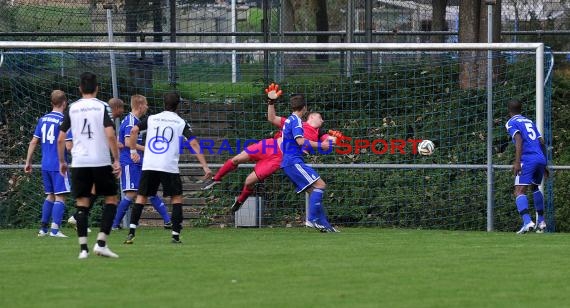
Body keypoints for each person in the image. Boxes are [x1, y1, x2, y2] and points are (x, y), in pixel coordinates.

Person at [202, 85, 335, 220]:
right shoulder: (295, 122)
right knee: (236, 159)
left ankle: (240, 201)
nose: (322, 120)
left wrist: (333, 139)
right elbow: (271, 118)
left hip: (278, 159)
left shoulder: (320, 134)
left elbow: (328, 141)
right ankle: (216, 179)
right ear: (310, 116)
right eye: (320, 117)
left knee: (249, 181)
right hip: (269, 145)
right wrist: (271, 102)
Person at [124, 92, 212, 244]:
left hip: (150, 164)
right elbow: (193, 143)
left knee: (141, 197)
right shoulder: (180, 122)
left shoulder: (152, 118)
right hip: (168, 165)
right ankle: (175, 235)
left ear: (163, 103)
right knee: (176, 198)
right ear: (177, 105)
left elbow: (133, 130)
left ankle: (131, 232)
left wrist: (133, 151)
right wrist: (205, 166)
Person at [57, 72, 121, 259]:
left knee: (82, 204)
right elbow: (110, 134)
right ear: (97, 88)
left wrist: (62, 161)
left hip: (79, 162)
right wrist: (116, 159)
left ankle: (83, 249)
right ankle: (101, 243)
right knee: (111, 199)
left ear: (79, 88)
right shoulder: (102, 107)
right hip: (100, 160)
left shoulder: (72, 108)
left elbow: (61, 138)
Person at [280, 94, 338, 232]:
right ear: (304, 108)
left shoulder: (289, 120)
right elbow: (300, 141)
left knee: (314, 191)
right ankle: (311, 219)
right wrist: (321, 145)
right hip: (293, 161)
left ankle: (325, 225)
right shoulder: (297, 122)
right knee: (321, 185)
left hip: (290, 162)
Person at [112, 94, 172, 230]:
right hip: (129, 162)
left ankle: (168, 221)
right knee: (131, 194)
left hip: (139, 161)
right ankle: (114, 224)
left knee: (150, 191)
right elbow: (127, 142)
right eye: (145, 104)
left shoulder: (133, 121)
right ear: (140, 106)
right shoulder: (130, 121)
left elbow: (121, 140)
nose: (147, 107)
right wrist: (146, 149)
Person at [24, 90, 71, 238]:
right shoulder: (64, 120)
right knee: (60, 197)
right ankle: (55, 230)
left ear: (52, 103)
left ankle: (43, 230)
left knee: (50, 195)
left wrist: (28, 162)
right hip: (59, 164)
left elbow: (33, 141)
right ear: (64, 103)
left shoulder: (42, 119)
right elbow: (68, 145)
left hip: (45, 164)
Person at [505, 99, 548, 234]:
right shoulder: (530, 121)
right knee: (535, 187)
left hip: (527, 159)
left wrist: (517, 162)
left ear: (509, 111)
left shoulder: (511, 122)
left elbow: (519, 139)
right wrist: (544, 163)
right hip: (540, 158)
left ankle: (527, 221)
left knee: (519, 191)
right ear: (521, 109)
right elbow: (541, 141)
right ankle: (541, 222)